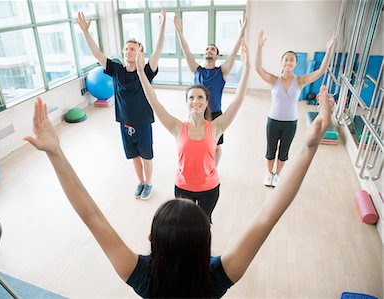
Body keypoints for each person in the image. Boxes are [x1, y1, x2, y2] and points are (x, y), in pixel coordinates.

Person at [24, 86, 333, 298]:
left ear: (150, 239)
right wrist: (308, 149)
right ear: (207, 240)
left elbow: (91, 216)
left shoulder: (141, 275)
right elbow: (268, 215)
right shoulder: (216, 278)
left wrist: (55, 153)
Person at [136, 41, 250, 223]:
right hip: (182, 188)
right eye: (191, 97)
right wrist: (141, 72)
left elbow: (238, 100)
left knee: (204, 225)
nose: (195, 101)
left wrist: (247, 69)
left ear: (206, 102)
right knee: (183, 226)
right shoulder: (176, 127)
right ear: (186, 101)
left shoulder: (215, 127)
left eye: (200, 97)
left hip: (209, 189)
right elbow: (154, 102)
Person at [77, 9, 166, 200]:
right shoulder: (116, 70)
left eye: (132, 49)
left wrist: (162, 26)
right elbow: (97, 54)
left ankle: (149, 183)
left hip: (142, 122)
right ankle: (140, 182)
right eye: (126, 49)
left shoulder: (146, 71)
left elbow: (158, 51)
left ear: (139, 52)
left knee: (146, 156)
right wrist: (85, 32)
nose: (128, 52)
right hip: (124, 122)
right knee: (133, 156)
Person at [255, 30, 336, 188]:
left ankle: (277, 175)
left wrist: (329, 50)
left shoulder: (300, 81)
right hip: (273, 121)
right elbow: (258, 68)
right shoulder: (274, 80)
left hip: (290, 123)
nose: (288, 62)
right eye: (286, 59)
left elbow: (321, 71)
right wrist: (259, 47)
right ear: (281, 63)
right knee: (271, 150)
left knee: (284, 151)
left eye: (292, 60)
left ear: (295, 64)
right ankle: (269, 174)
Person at [174, 15, 247, 166]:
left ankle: (213, 168)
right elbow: (186, 51)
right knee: (196, 142)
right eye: (207, 49)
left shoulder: (222, 71)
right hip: (197, 114)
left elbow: (233, 54)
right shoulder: (197, 70)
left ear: (216, 55)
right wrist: (179, 32)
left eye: (212, 49)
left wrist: (241, 33)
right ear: (204, 54)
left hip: (215, 114)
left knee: (216, 145)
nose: (209, 51)